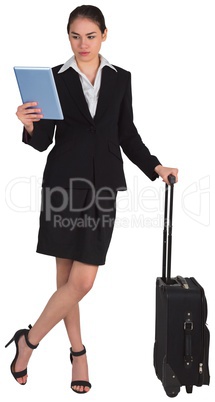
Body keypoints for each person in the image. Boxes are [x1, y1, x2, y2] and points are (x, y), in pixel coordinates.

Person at [6, 5, 178, 394]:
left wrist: (156, 167)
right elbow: (43, 140)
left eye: (90, 36)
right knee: (66, 280)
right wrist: (30, 125)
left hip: (102, 190)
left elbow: (126, 133)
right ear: (67, 36)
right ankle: (79, 352)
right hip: (63, 188)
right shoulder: (54, 78)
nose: (82, 44)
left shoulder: (120, 79)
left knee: (81, 282)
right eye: (75, 36)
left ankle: (27, 342)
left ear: (104, 34)